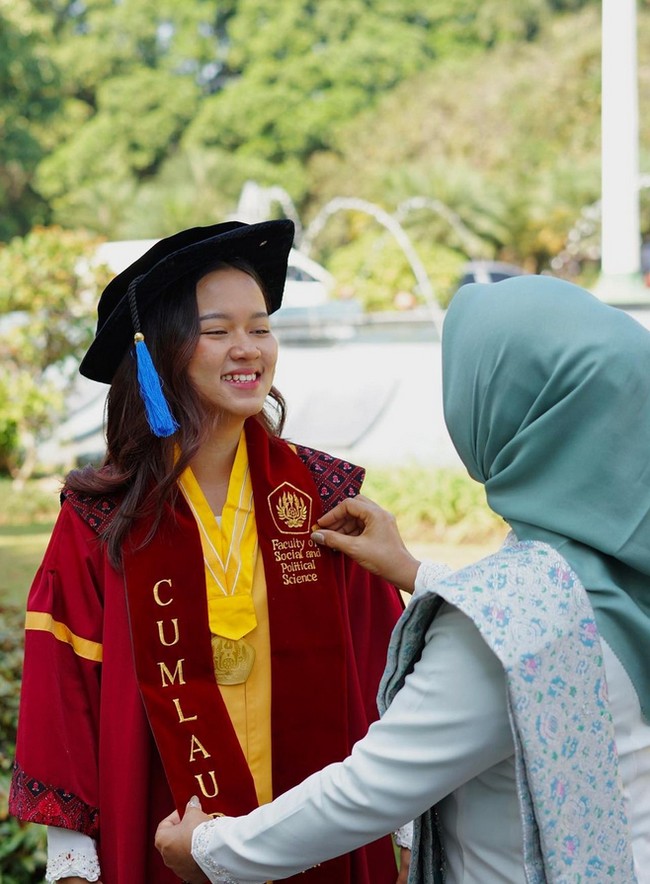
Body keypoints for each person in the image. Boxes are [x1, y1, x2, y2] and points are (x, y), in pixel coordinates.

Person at [154, 274, 650, 883]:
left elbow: (370, 790)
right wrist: (418, 573)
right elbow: (560, 632)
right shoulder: (621, 574)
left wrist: (209, 850)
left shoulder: (504, 625)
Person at [8, 219, 408, 884]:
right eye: (218, 330)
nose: (247, 348)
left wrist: (408, 825)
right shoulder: (102, 518)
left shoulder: (322, 499)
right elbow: (63, 693)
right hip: (162, 831)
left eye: (261, 327)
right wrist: (71, 861)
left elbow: (382, 664)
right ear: (160, 352)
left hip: (317, 830)